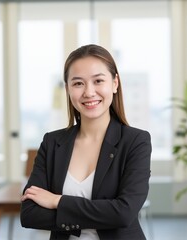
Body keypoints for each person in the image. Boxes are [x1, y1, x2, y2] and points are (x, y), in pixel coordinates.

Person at [20, 44, 152, 240]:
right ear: (68, 89)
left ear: (115, 83)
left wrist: (58, 201)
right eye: (78, 83)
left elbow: (123, 212)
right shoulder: (52, 143)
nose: (89, 92)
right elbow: (30, 214)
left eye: (98, 81)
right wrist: (100, 214)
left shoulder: (136, 142)